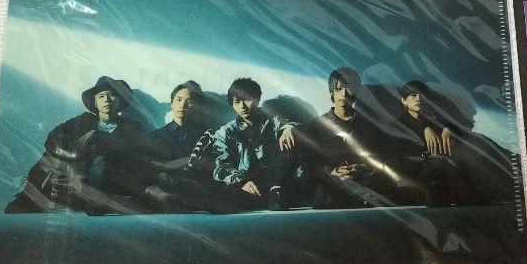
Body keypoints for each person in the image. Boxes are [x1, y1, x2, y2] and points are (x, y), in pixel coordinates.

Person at [5, 76, 148, 215]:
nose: (106, 100)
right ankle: (27, 198)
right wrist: (75, 152)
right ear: (95, 102)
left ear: (120, 100)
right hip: (80, 178)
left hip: (113, 181)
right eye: (101, 96)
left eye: (111, 95)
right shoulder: (84, 121)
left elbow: (138, 158)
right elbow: (55, 138)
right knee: (49, 159)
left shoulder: (132, 128)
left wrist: (104, 142)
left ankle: (98, 202)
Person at [300, 68, 408, 207]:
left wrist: (363, 169)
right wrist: (331, 171)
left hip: (367, 196)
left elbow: (386, 158)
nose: (344, 94)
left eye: (349, 88)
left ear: (357, 91)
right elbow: (307, 165)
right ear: (332, 92)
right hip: (329, 197)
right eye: (339, 89)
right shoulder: (318, 125)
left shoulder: (370, 125)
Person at [210, 78, 298, 211]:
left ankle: (277, 194)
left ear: (257, 99)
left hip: (278, 181)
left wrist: (289, 128)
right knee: (224, 194)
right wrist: (241, 181)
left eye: (247, 100)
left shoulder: (273, 121)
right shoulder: (226, 132)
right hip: (248, 184)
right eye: (237, 102)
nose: (242, 106)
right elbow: (222, 166)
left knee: (289, 137)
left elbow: (293, 126)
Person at [143, 81, 208, 212]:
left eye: (189, 101)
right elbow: (150, 162)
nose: (182, 105)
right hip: (163, 185)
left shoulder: (206, 134)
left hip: (194, 186)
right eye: (178, 100)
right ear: (171, 103)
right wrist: (160, 174)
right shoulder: (156, 135)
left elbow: (204, 164)